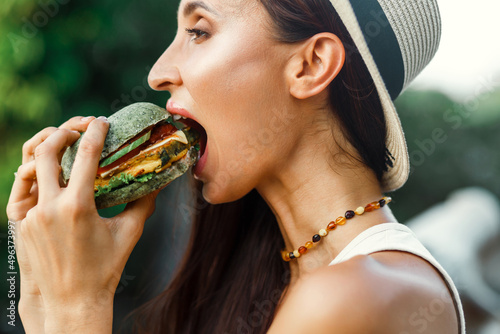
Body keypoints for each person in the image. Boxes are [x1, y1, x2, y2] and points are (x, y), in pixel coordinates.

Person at [7, 0, 466, 333]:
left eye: (199, 31)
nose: (158, 72)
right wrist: (42, 301)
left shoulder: (357, 297)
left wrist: (78, 307)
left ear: (310, 64)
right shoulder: (273, 275)